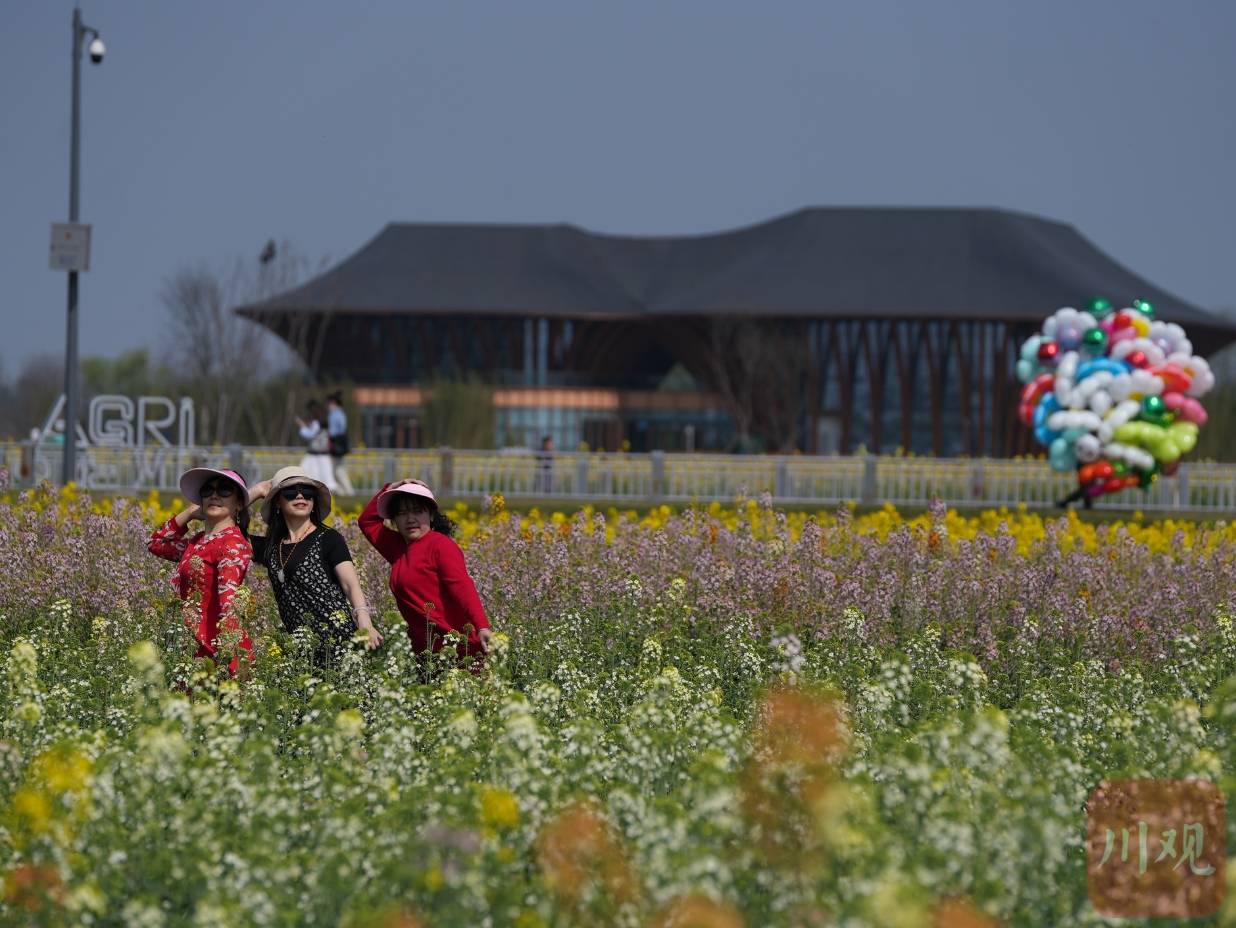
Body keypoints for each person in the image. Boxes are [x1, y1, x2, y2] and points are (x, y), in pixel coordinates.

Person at [246, 466, 382, 666]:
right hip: (301, 652)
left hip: (339, 644)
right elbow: (225, 526)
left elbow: (350, 585)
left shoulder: (328, 538)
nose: (300, 495)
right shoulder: (271, 547)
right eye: (290, 491)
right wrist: (257, 491)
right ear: (277, 501)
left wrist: (365, 621)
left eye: (307, 491)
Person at [359, 479, 493, 671]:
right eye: (402, 513)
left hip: (460, 650)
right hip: (425, 653)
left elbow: (462, 586)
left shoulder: (440, 545)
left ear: (430, 515)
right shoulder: (398, 548)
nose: (410, 519)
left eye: (417, 511)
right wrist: (392, 486)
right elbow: (367, 521)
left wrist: (482, 626)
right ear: (394, 520)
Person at [147, 467, 254, 674]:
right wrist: (189, 513)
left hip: (215, 651)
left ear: (239, 503)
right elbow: (155, 543)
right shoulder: (197, 542)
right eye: (207, 490)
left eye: (224, 490)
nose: (214, 495)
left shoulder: (232, 542)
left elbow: (230, 601)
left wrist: (225, 654)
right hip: (191, 647)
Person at [296, 400, 337, 491]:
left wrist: (302, 427)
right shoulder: (324, 422)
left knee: (305, 472)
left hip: (316, 453)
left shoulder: (316, 423)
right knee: (324, 474)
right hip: (322, 453)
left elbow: (309, 435)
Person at [325, 392, 355, 496]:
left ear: (334, 403)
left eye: (329, 403)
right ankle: (343, 491)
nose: (328, 406)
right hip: (337, 444)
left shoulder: (336, 414)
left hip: (336, 444)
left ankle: (348, 491)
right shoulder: (339, 414)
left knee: (338, 469)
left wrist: (330, 436)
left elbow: (338, 430)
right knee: (336, 469)